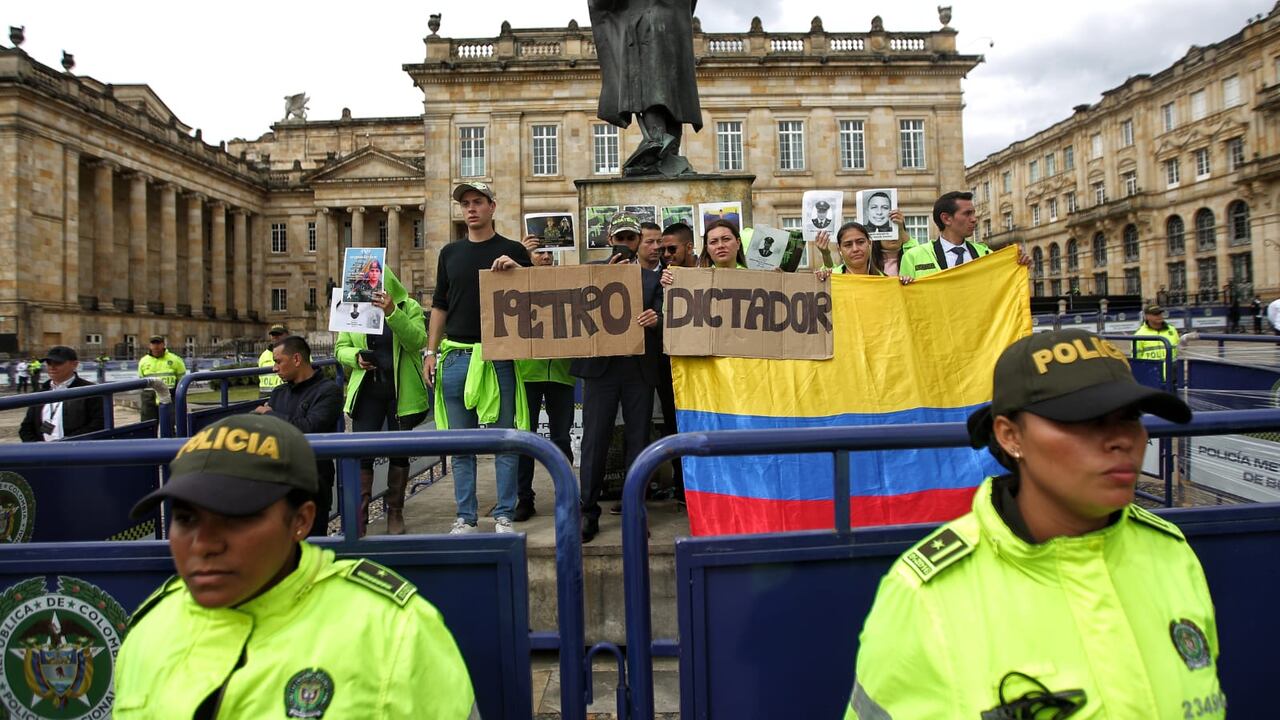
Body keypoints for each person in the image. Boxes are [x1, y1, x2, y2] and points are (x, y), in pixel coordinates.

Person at [845, 329, 1221, 718]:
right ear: (1010, 436)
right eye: (1086, 420)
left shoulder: (1171, 553)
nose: (1122, 440)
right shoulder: (925, 597)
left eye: (1130, 418)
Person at [116, 414, 477, 719]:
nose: (205, 544)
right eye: (185, 518)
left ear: (301, 521)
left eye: (237, 518)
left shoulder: (392, 631)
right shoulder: (151, 627)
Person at [426, 181, 532, 535]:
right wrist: (430, 350)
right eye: (465, 203)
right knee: (461, 444)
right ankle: (465, 516)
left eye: (477, 202)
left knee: (504, 439)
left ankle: (503, 513)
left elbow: (539, 296)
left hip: (498, 356)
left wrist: (520, 268)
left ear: (492, 206)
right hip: (456, 356)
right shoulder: (449, 253)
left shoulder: (512, 249)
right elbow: (439, 304)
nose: (470, 209)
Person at [573, 222, 664, 542]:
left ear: (639, 242)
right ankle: (587, 511)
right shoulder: (591, 271)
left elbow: (670, 314)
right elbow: (561, 294)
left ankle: (635, 509)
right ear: (610, 240)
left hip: (639, 370)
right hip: (601, 370)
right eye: (620, 238)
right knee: (595, 441)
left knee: (638, 442)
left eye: (631, 238)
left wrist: (657, 319)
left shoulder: (655, 279)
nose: (625, 243)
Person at [336, 265, 428, 536]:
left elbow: (417, 341)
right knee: (362, 453)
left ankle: (395, 511)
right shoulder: (353, 306)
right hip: (367, 392)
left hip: (400, 392)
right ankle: (360, 515)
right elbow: (340, 348)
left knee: (399, 452)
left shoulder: (408, 305)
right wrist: (356, 357)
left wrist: (392, 312)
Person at [589, 0, 701, 175]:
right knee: (673, 94)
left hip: (647, 24)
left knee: (649, 87)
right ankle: (669, 154)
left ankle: (658, 141)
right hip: (677, 25)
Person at [254, 335, 343, 537]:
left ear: (296, 359)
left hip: (312, 486)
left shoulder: (329, 391)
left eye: (278, 362)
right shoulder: (278, 393)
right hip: (278, 483)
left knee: (310, 546)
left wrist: (270, 415)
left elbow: (310, 428)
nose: (274, 368)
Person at [513, 241, 575, 522]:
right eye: (540, 252)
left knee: (562, 437)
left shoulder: (566, 281)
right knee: (525, 438)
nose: (546, 257)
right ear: (529, 256)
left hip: (562, 372)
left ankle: (566, 494)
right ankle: (524, 497)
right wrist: (520, 256)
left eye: (551, 252)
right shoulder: (519, 279)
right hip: (527, 372)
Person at [18, 346, 104, 442]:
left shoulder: (91, 391)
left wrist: (66, 444)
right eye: (49, 363)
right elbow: (26, 428)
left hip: (76, 452)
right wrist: (38, 448)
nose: (52, 367)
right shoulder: (40, 393)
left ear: (74, 364)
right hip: (42, 453)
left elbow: (98, 424)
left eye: (58, 363)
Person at [900, 191, 991, 279]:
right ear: (946, 219)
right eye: (967, 214)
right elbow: (905, 293)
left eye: (973, 213)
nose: (974, 219)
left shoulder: (987, 254)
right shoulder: (913, 257)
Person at [137, 335, 187, 422]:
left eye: (158, 343)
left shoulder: (175, 359)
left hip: (170, 397)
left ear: (164, 345)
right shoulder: (143, 361)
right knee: (148, 426)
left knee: (171, 426)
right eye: (153, 343)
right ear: (150, 346)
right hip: (149, 398)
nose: (156, 346)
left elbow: (182, 379)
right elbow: (141, 378)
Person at [258, 324, 287, 394]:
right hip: (265, 395)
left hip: (286, 394)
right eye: (273, 334)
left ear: (286, 335)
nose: (275, 337)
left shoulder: (296, 351)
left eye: (278, 334)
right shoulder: (264, 355)